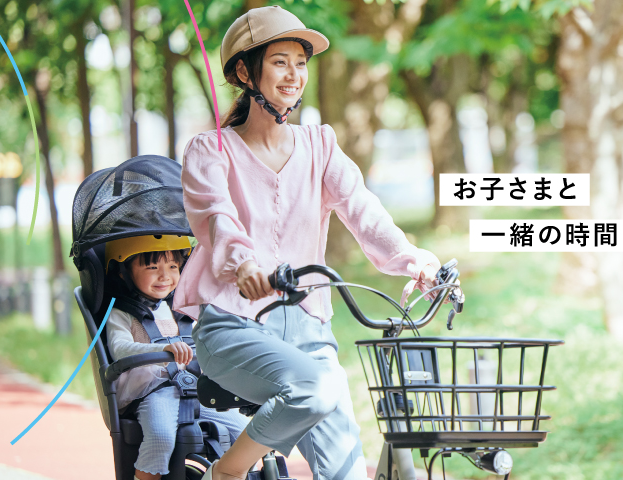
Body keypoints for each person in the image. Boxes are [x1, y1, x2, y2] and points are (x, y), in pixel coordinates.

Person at [172, 6, 458, 480]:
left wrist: (414, 261)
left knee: (347, 472)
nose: (294, 74)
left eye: (301, 63)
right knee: (318, 389)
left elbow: (363, 211)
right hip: (233, 325)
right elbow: (216, 217)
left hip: (310, 331)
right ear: (244, 72)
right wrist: (244, 265)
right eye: (279, 62)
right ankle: (227, 472)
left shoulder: (320, 145)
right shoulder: (211, 150)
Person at [103, 234, 250, 480]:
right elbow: (120, 349)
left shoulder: (184, 308)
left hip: (196, 389)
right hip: (153, 392)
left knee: (246, 432)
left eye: (173, 266)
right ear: (123, 272)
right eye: (152, 267)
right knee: (160, 437)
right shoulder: (121, 313)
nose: (165, 276)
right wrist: (164, 350)